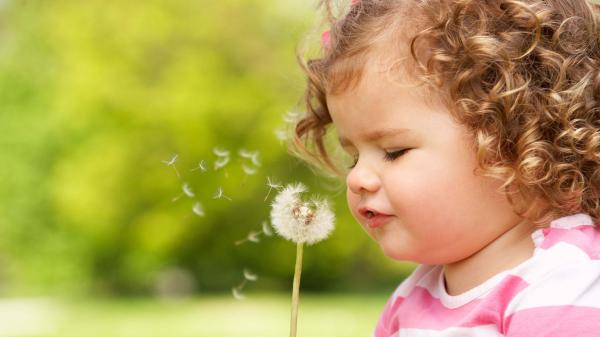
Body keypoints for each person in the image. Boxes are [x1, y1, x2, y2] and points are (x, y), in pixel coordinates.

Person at [292, 0, 600, 336]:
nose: (357, 178)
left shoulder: (567, 284)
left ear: (515, 139)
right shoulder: (411, 299)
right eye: (353, 156)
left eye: (394, 152)